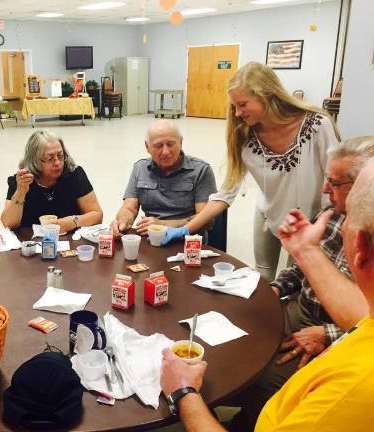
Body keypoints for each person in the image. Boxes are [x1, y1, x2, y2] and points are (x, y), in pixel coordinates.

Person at [160, 157, 374, 432]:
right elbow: (357, 316)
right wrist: (307, 253)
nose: (325, 191)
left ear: (359, 248)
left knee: (253, 372)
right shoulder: (363, 326)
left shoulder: (352, 389)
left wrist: (184, 393)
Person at [229, 136, 374, 431]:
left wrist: (329, 333)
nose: (324, 190)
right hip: (298, 308)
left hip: (326, 327)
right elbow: (300, 272)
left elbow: (363, 321)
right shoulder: (330, 215)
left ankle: (246, 420)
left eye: (335, 183)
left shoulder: (361, 233)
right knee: (235, 339)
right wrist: (275, 289)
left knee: (260, 377)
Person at [163, 62, 340, 280]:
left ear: (266, 95)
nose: (237, 113)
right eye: (235, 106)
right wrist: (186, 229)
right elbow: (226, 194)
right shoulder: (244, 137)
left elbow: (336, 179)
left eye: (243, 104)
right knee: (263, 278)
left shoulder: (317, 125)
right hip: (269, 214)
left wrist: (324, 225)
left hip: (312, 219)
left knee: (301, 280)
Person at [110, 119, 217, 239]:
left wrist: (164, 225)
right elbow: (129, 208)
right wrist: (121, 222)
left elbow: (206, 220)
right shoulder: (140, 168)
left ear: (181, 142)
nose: (166, 151)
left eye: (171, 144)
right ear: (147, 147)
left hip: (189, 244)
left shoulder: (200, 170)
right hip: (152, 241)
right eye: (158, 145)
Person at [1, 130, 103, 232]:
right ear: (34, 160)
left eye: (60, 156)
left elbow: (97, 215)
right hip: (31, 243)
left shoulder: (74, 174)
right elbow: (9, 224)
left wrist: (73, 221)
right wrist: (20, 192)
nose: (57, 162)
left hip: (71, 242)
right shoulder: (22, 180)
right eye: (49, 158)